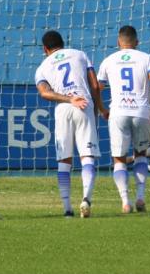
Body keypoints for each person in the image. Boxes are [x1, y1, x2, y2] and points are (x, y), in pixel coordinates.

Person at [97, 25, 150, 213]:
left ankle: (125, 202)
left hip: (118, 113)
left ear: (118, 42)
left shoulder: (108, 60)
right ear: (137, 42)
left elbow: (97, 88)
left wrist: (101, 108)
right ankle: (140, 197)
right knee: (140, 155)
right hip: (141, 113)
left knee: (119, 159)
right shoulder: (147, 58)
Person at [35, 30, 106, 218]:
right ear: (63, 43)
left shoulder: (42, 66)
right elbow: (95, 85)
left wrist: (67, 98)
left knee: (64, 160)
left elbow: (44, 92)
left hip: (63, 107)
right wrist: (98, 108)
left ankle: (67, 209)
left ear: (45, 49)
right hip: (83, 103)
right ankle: (86, 199)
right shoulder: (80, 54)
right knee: (87, 156)